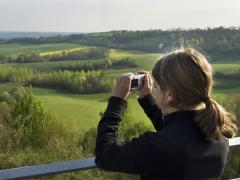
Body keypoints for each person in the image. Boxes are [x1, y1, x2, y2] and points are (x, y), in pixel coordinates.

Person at [94, 48, 237, 179]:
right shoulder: (218, 134)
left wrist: (117, 101)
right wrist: (146, 98)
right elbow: (177, 132)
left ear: (168, 94)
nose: (155, 91)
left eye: (156, 87)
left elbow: (105, 155)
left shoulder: (156, 145)